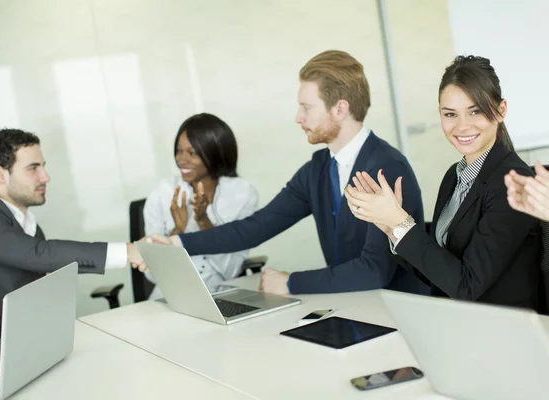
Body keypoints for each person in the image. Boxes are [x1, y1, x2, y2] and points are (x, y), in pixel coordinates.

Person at [150, 50, 428, 296]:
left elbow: (374, 271)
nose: (298, 117)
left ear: (340, 109)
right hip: (351, 303)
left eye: (306, 107)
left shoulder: (387, 168)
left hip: (398, 311)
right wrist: (176, 242)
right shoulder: (317, 170)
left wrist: (290, 282)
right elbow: (255, 227)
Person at [345, 55, 542, 310]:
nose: (462, 126)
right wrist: (391, 227)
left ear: (501, 110)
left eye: (476, 111)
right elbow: (439, 278)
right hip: (453, 322)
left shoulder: (513, 183)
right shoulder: (454, 177)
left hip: (502, 332)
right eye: (450, 114)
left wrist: (399, 222)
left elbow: (467, 286)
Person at [0, 129, 147, 351]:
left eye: (43, 167)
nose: (45, 177)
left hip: (16, 344)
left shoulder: (27, 227)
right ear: (0, 174)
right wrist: (128, 251)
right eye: (33, 168)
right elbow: (39, 254)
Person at [143, 113, 258, 291]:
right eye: (179, 151)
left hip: (220, 292)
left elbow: (231, 270)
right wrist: (178, 230)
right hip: (170, 294)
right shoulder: (163, 192)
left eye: (192, 153)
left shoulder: (241, 193)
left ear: (215, 152)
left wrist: (203, 221)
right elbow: (151, 274)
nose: (182, 160)